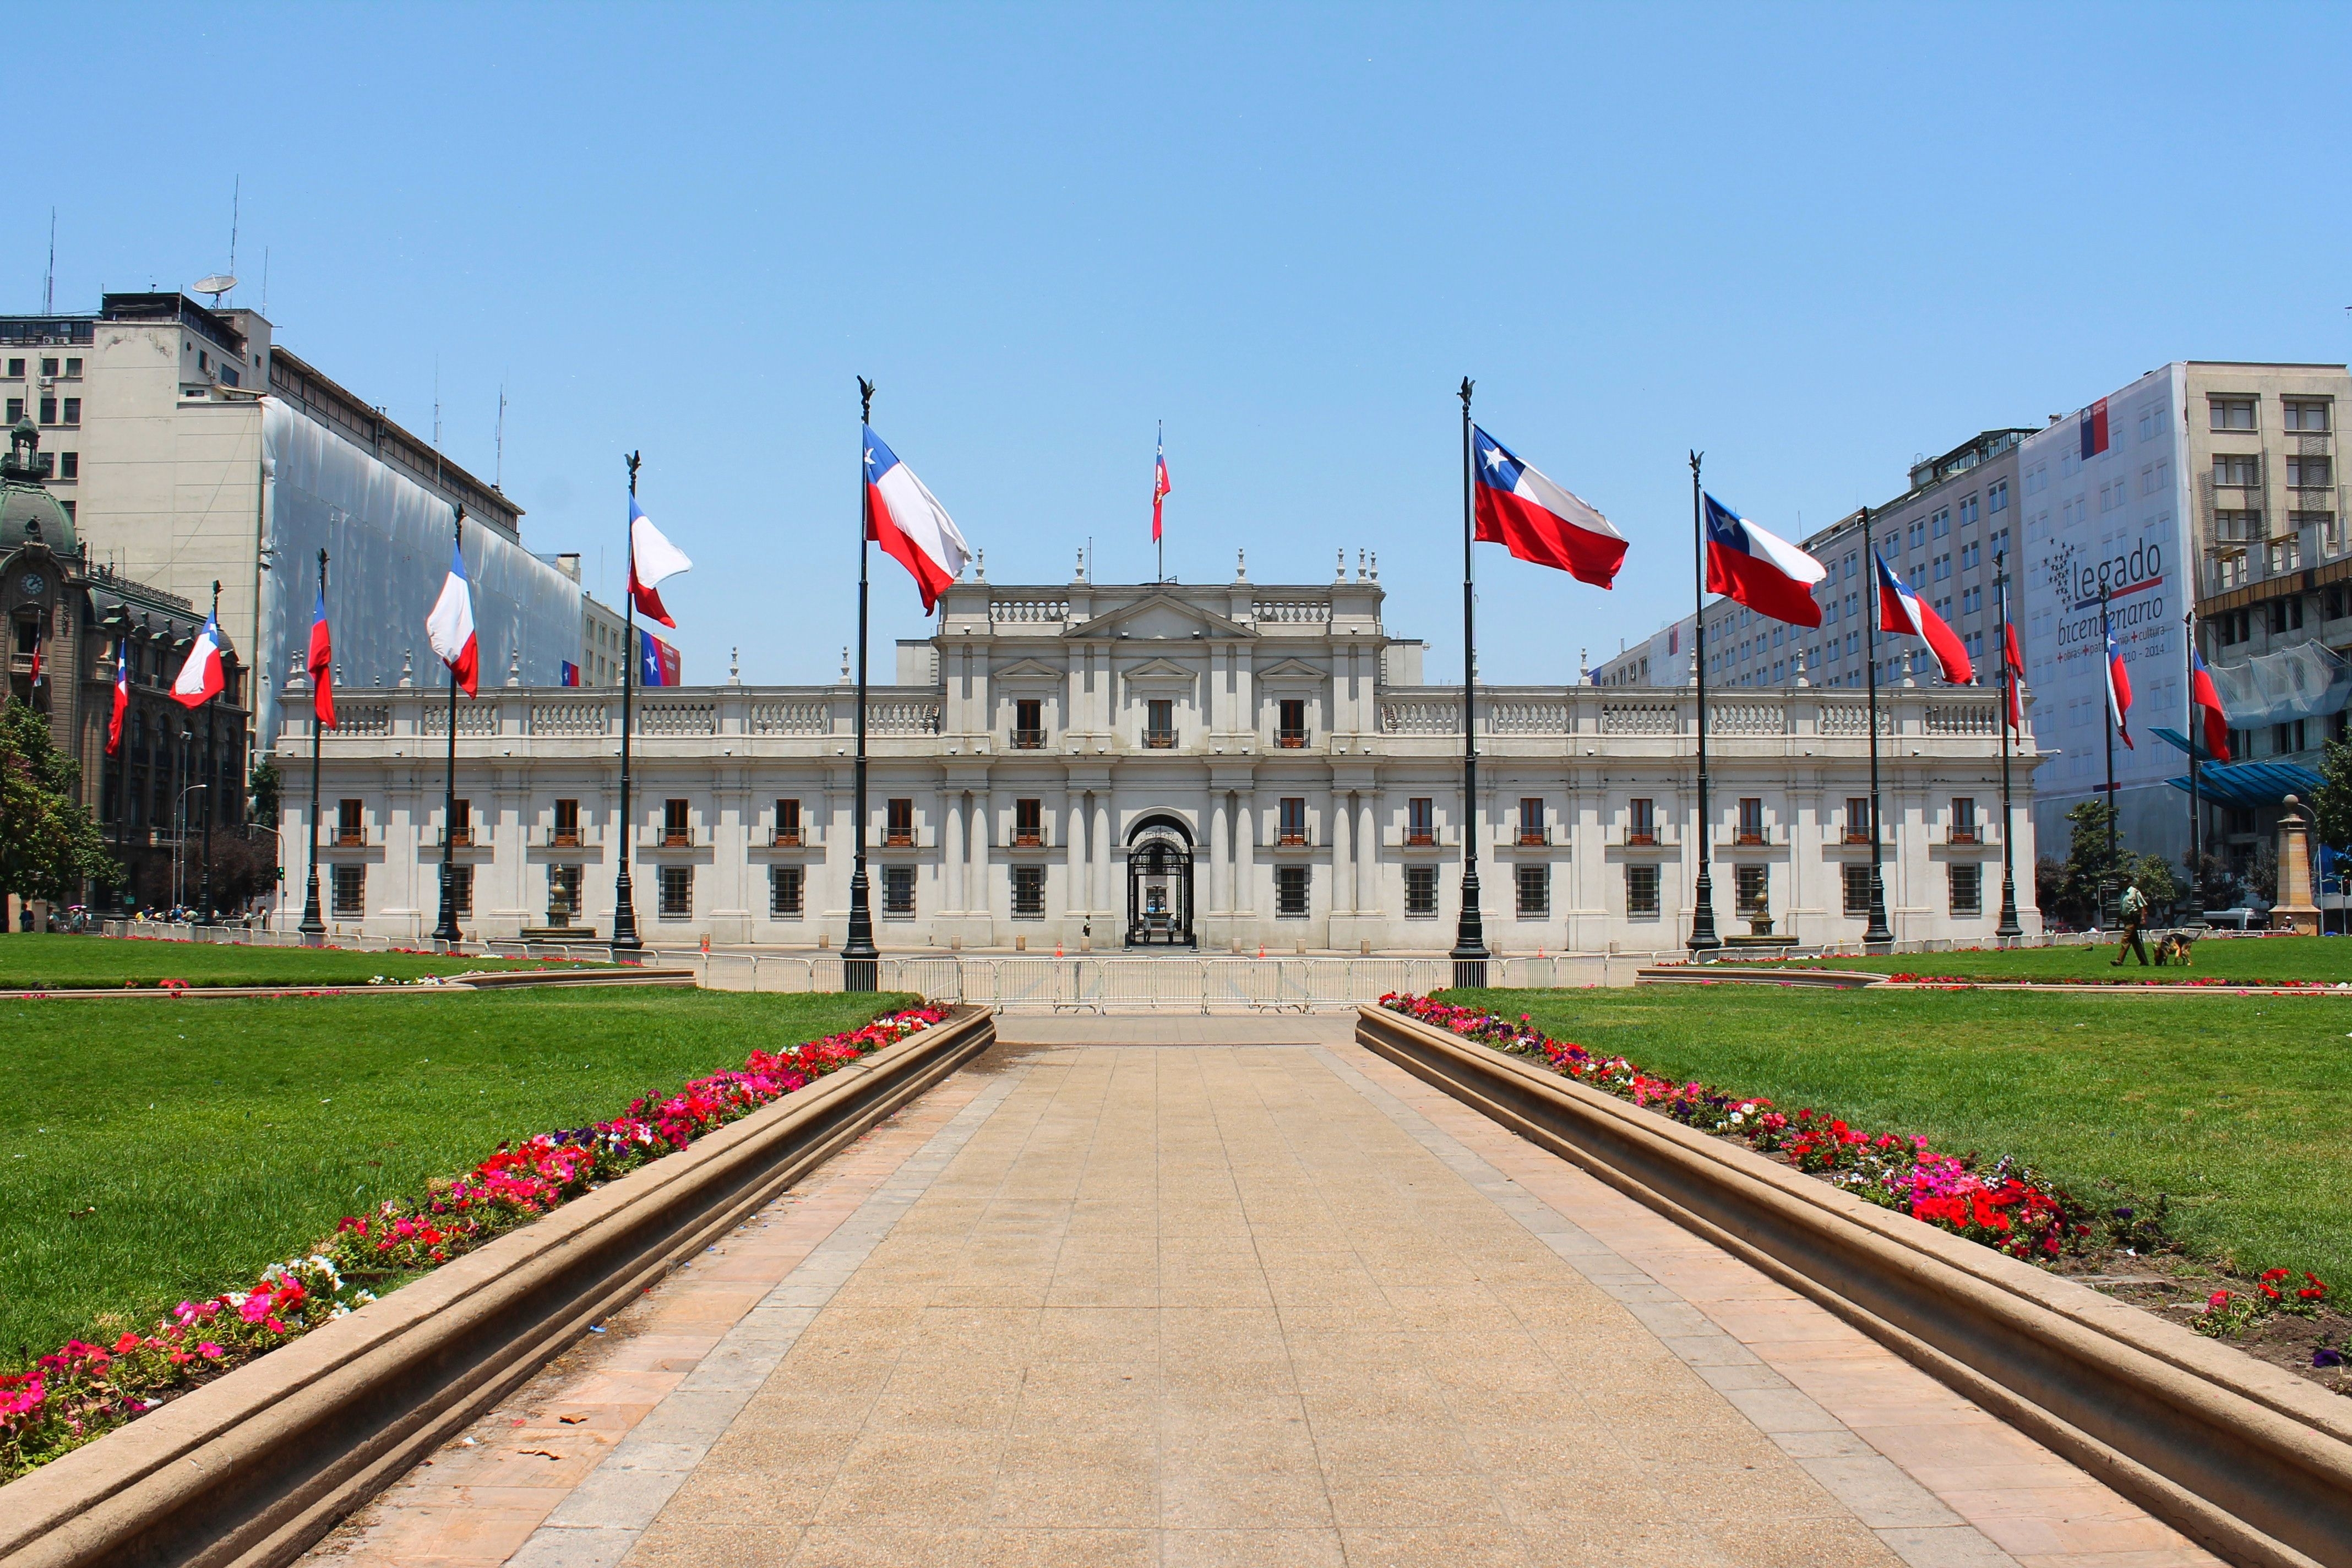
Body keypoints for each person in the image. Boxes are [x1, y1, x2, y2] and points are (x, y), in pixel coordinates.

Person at [2113, 879, 2150, 966]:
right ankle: (2144, 962)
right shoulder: (2123, 893)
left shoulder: (2135, 892)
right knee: (2136, 942)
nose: (2123, 883)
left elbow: (2142, 906)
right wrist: (2118, 922)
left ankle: (2119, 960)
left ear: (2129, 882)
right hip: (2126, 920)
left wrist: (2143, 918)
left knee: (2126, 939)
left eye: (2125, 882)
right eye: (2122, 882)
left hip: (2133, 920)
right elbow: (2122, 908)